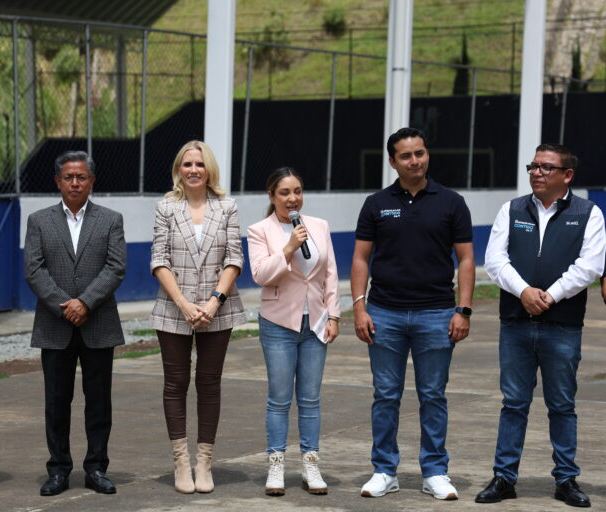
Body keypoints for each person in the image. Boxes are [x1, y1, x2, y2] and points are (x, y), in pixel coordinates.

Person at [477, 143, 604, 508]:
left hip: (562, 325)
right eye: (533, 166)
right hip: (516, 322)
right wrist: (525, 292)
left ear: (567, 175)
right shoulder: (512, 208)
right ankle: (504, 478)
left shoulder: (588, 213)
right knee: (513, 403)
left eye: (546, 168)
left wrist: (549, 295)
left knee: (562, 405)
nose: (537, 172)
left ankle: (566, 480)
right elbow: (495, 261)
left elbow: (591, 265)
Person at [351, 127, 475, 501]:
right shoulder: (376, 203)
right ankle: (384, 470)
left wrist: (463, 310)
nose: (414, 160)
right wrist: (358, 306)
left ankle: (435, 471)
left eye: (419, 153)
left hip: (437, 314)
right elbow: (359, 258)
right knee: (386, 395)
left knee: (433, 395)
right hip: (384, 313)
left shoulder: (451, 202)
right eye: (406, 156)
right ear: (393, 161)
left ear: (427, 156)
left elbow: (467, 259)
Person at [24, 151, 126, 497]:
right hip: (55, 325)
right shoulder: (39, 221)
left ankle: (96, 467)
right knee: (56, 402)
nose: (75, 182)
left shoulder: (111, 219)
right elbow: (34, 270)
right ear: (57, 181)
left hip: (98, 323)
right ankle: (58, 469)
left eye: (81, 177)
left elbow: (116, 267)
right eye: (68, 177)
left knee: (98, 403)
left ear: (92, 181)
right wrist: (63, 305)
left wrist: (85, 302)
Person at [150, 140, 246, 494]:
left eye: (199, 164)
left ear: (209, 170)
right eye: (187, 164)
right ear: (179, 169)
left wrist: (214, 301)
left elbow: (234, 258)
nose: (193, 170)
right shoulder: (165, 208)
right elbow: (158, 259)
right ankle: (181, 461)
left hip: (217, 310)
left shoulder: (227, 207)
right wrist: (184, 304)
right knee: (175, 384)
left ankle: (204, 461)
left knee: (209, 384)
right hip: (174, 309)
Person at [247, 167, 340, 497]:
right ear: (271, 196)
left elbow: (329, 273)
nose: (292, 198)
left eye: (297, 191)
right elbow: (261, 275)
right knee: (279, 399)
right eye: (284, 192)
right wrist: (287, 248)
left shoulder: (318, 226)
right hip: (278, 324)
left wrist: (335, 316)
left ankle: (310, 464)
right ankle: (276, 465)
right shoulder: (260, 230)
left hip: (315, 323)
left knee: (311, 399)